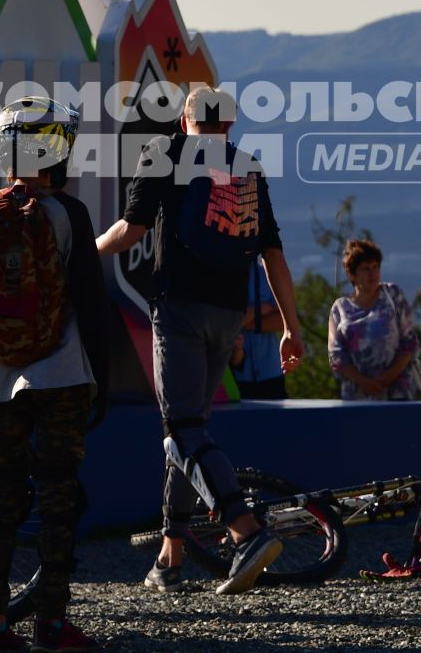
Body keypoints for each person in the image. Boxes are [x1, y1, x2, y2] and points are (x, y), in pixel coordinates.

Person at [98, 83, 304, 596]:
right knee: (189, 431)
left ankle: (245, 532)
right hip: (229, 314)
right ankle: (169, 558)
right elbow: (272, 253)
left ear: (183, 122)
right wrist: (290, 327)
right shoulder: (247, 166)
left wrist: (79, 253)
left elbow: (131, 229)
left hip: (180, 308)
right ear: (229, 125)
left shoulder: (166, 153)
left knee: (182, 428)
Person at [0, 96, 112, 653]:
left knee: (0, 493)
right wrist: (101, 376)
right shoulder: (68, 214)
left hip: (0, 380)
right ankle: (51, 620)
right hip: (63, 372)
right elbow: (92, 304)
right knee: (57, 495)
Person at [328, 239, 421, 401]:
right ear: (352, 274)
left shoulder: (392, 295)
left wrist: (386, 378)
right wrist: (364, 382)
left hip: (396, 391)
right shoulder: (340, 308)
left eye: (375, 267)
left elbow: (409, 343)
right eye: (365, 269)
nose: (372, 273)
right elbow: (336, 355)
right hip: (356, 394)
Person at [230, 261, 288, 399]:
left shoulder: (268, 275)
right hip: (238, 376)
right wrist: (260, 309)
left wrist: (242, 320)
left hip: (272, 373)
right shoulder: (221, 276)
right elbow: (223, 323)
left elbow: (283, 321)